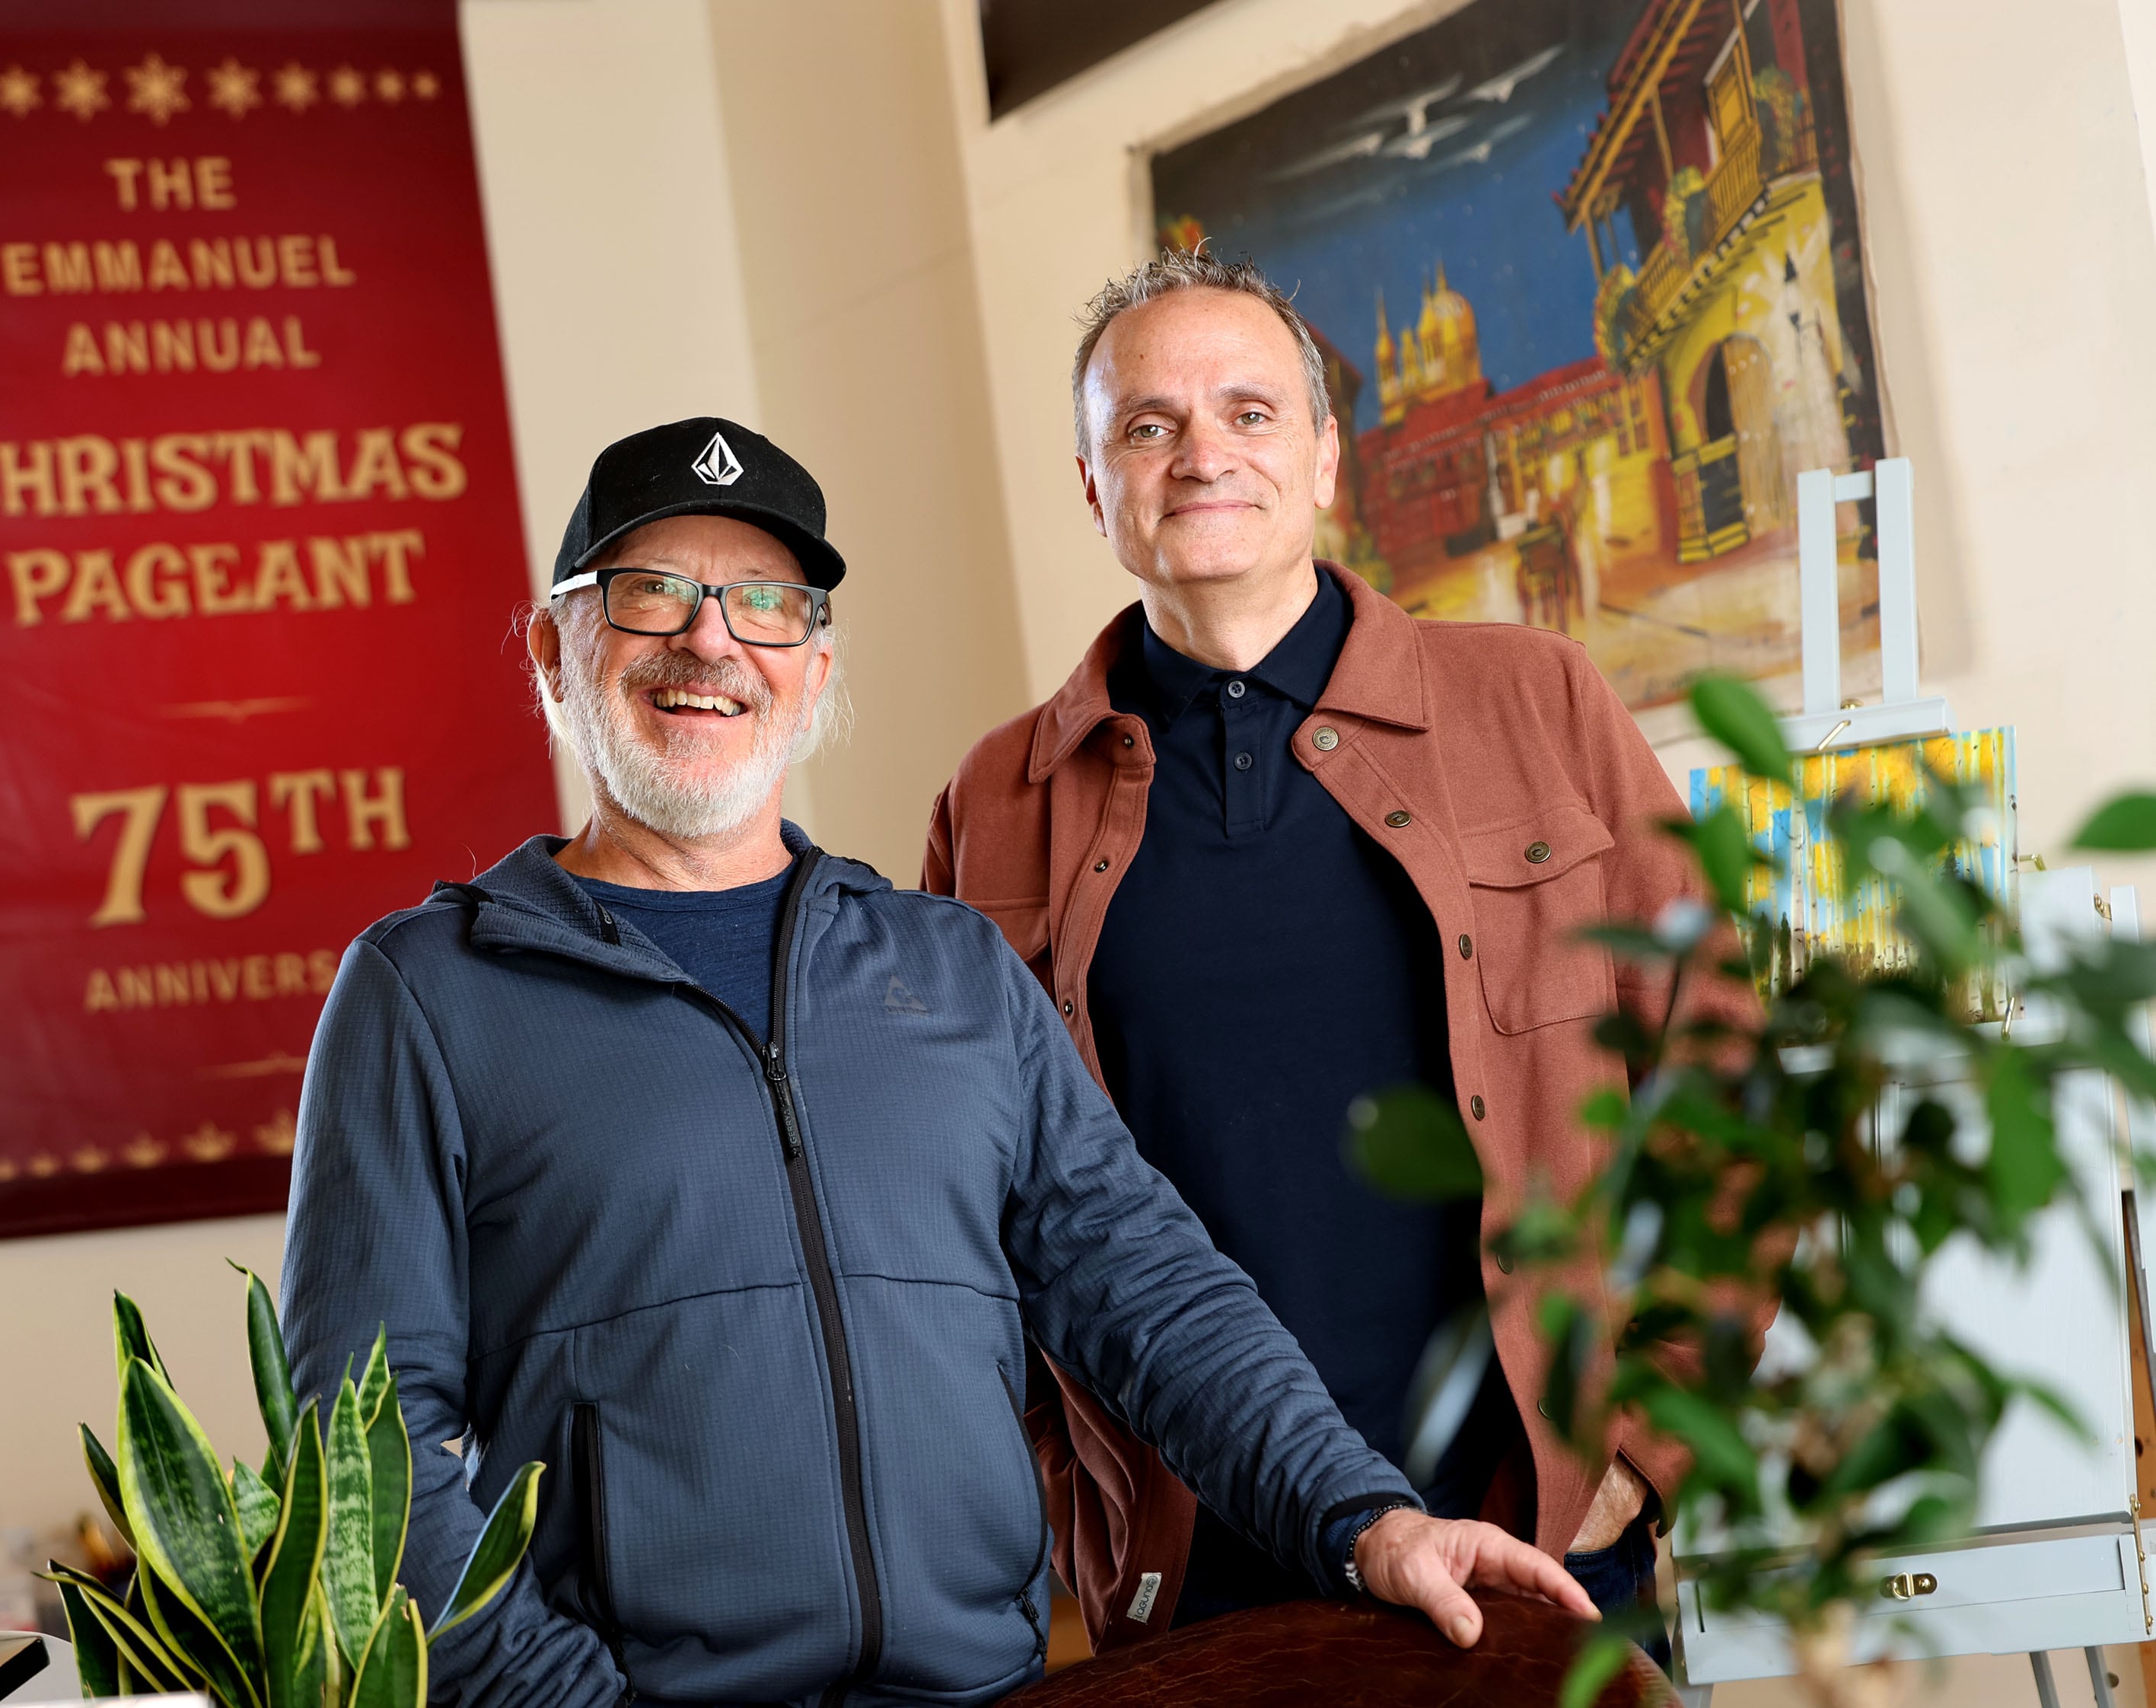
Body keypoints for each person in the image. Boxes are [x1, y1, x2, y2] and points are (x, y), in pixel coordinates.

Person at [280, 416, 1594, 1708]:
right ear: (554, 649)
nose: (710, 640)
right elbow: (360, 1446)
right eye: (651, 594)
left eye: (763, 603)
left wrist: (1367, 1522)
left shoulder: (950, 968)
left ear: (817, 663)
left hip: (991, 1695)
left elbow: (1152, 1294)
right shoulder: (427, 995)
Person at [923, 252, 1767, 1662]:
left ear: (1322, 458)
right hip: (1194, 1584)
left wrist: (1639, 1455)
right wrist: (1074, 1501)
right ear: (1092, 484)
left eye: (1249, 413)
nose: (1202, 455)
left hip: (1535, 1546)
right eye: (1148, 425)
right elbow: (956, 1203)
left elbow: (1721, 1075)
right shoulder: (996, 800)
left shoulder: (1536, 702)